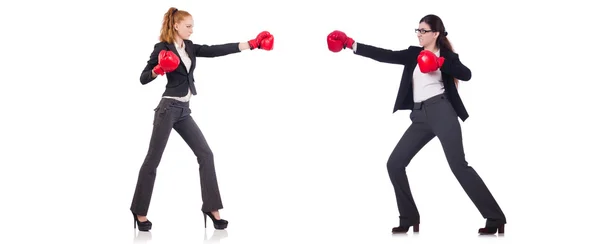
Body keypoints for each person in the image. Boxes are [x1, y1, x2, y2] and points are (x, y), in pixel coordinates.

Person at [326, 14, 506, 235]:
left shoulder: (448, 56)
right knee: (394, 163)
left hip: (442, 112)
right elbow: (386, 55)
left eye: (423, 31)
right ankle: (409, 217)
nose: (419, 34)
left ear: (436, 33)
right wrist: (351, 44)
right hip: (419, 116)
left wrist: (441, 63)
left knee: (458, 166)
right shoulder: (414, 54)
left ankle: (495, 217)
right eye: (417, 30)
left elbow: (466, 74)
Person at [130, 7, 274, 232]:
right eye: (188, 26)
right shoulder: (162, 48)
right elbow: (142, 78)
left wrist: (250, 44)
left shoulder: (188, 47)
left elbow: (214, 50)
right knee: (153, 160)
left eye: (192, 26)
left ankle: (212, 209)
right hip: (168, 109)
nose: (192, 30)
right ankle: (139, 212)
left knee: (206, 154)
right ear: (176, 25)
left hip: (184, 111)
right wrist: (158, 70)